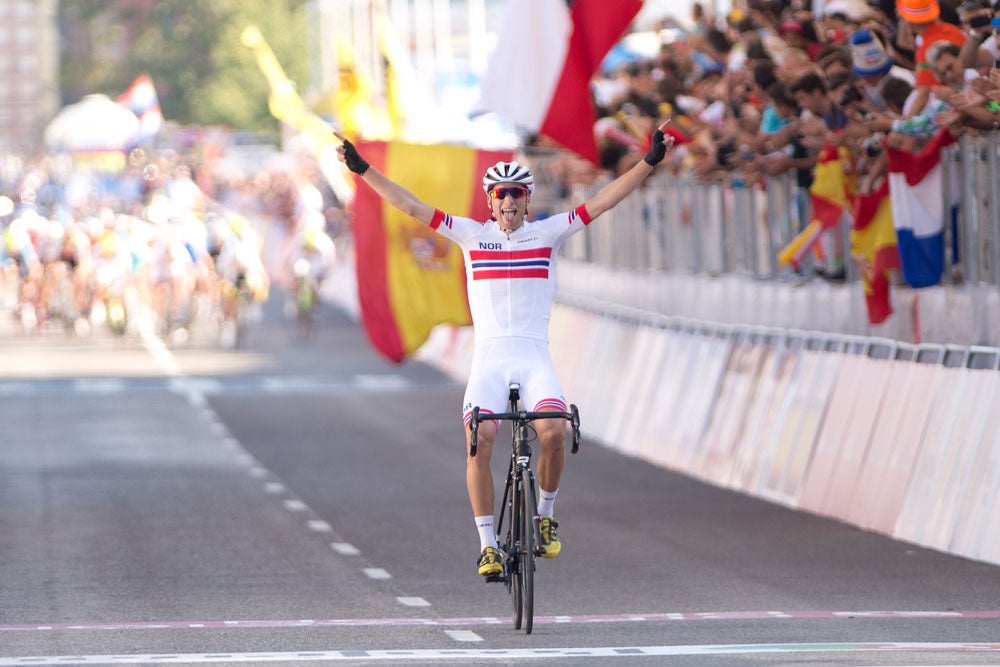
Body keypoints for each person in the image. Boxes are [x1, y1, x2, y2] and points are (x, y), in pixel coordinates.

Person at [334, 125, 674, 577]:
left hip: (534, 360)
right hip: (490, 364)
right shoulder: (471, 235)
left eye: (516, 194)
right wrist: (362, 170)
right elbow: (410, 205)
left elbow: (606, 199)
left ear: (528, 200)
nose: (508, 202)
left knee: (553, 432)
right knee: (482, 442)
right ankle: (488, 545)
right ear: (490, 201)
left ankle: (545, 517)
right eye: (500, 195)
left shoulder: (549, 233)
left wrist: (648, 162)